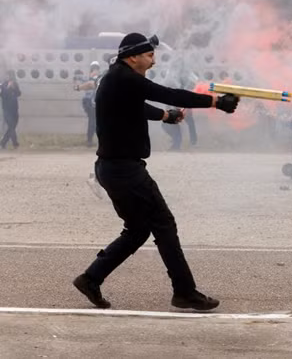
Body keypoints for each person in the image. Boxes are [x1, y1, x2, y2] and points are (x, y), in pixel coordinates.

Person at [72, 33, 240, 310]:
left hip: (113, 168)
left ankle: (90, 278)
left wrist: (164, 116)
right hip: (125, 170)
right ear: (133, 56)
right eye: (149, 55)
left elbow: (137, 105)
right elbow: (167, 94)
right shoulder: (124, 78)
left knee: (138, 230)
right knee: (164, 224)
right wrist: (215, 102)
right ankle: (184, 291)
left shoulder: (117, 78)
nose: (153, 60)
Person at [74, 61, 102, 147]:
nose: (95, 70)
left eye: (96, 69)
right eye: (94, 69)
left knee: (94, 121)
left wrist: (78, 87)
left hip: (92, 102)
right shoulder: (92, 78)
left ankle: (91, 140)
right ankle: (90, 141)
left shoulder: (95, 78)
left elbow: (86, 84)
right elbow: (86, 84)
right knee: (93, 120)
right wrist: (77, 86)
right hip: (90, 102)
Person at [0, 70, 21, 150]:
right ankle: (15, 144)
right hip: (7, 110)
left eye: (9, 75)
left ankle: (3, 142)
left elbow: (19, 93)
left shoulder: (14, 84)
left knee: (12, 127)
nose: (8, 77)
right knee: (11, 126)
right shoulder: (2, 85)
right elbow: (3, 95)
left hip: (15, 109)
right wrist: (8, 88)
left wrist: (14, 88)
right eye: (7, 75)